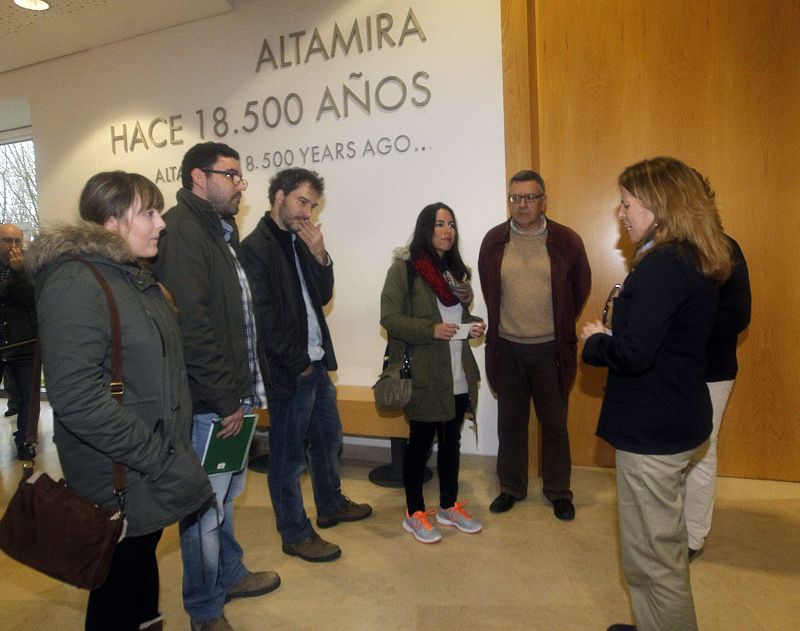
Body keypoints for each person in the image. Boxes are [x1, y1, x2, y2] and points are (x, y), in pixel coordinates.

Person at [28, 171, 213, 631]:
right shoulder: (76, 282)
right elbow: (77, 398)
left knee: (137, 578)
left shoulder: (131, 277)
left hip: (148, 469)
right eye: (147, 213)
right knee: (115, 590)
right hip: (122, 473)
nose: (160, 223)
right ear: (110, 223)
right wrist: (162, 457)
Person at [580, 157, 732, 631]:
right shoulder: (693, 257)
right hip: (676, 418)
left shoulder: (663, 265)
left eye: (627, 204)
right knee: (652, 552)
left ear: (658, 206)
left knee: (654, 562)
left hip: (654, 432)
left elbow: (634, 354)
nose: (621, 213)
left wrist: (595, 342)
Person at [154, 143, 279, 631]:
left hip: (232, 396)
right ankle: (205, 611)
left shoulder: (219, 230)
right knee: (203, 512)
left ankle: (229, 574)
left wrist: (242, 394)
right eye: (231, 175)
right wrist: (226, 397)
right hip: (212, 403)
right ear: (197, 178)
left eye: (240, 176)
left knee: (224, 499)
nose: (240, 184)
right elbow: (194, 328)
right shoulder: (183, 232)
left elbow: (239, 319)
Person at [240, 167, 371, 563]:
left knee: (329, 440)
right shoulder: (256, 248)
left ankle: (330, 505)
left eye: (312, 205)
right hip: (291, 372)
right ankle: (295, 533)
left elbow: (322, 294)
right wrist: (298, 364)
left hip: (316, 365)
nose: (307, 212)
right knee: (288, 458)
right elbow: (263, 320)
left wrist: (319, 255)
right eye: (301, 201)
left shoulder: (300, 241)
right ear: (278, 196)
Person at [478, 169, 590, 520]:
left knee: (554, 425)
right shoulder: (494, 241)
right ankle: (511, 487)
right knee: (510, 424)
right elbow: (488, 286)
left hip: (550, 351)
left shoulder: (566, 241)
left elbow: (580, 287)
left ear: (544, 200)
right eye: (515, 198)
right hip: (508, 348)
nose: (522, 205)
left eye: (529, 197)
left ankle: (559, 491)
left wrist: (558, 324)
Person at [380, 203, 486, 543]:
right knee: (420, 445)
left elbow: (458, 320)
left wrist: (473, 327)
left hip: (457, 371)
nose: (447, 230)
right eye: (440, 224)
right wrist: (430, 329)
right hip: (425, 373)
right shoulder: (405, 269)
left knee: (452, 442)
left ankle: (448, 506)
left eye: (451, 224)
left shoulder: (458, 273)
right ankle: (414, 513)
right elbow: (390, 318)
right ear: (426, 228)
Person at [684, 230, 750, 560]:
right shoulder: (666, 245)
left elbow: (739, 314)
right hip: (670, 372)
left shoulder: (725, 247)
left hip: (713, 371)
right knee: (669, 453)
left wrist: (687, 331)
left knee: (702, 451)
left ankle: (693, 535)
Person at [0, 223, 38, 460]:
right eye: (7, 241)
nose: (13, 246)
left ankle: (25, 442)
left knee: (26, 399)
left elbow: (30, 298)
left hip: (24, 344)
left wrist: (18, 272)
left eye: (17, 241)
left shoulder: (29, 267)